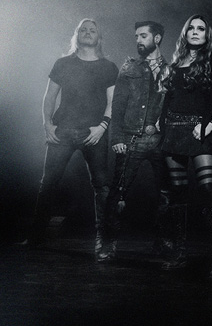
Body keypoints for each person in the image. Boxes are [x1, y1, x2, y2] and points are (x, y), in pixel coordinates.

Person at [27, 19, 118, 260]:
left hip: (94, 132)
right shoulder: (63, 63)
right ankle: (35, 237)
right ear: (76, 35)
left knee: (102, 186)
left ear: (99, 37)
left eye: (92, 30)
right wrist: (47, 124)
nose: (87, 33)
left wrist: (102, 127)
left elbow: (113, 102)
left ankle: (104, 240)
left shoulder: (108, 67)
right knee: (48, 183)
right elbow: (49, 97)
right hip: (63, 130)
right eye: (83, 30)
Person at [158, 14, 212, 281]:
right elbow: (168, 100)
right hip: (173, 131)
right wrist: (160, 126)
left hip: (201, 130)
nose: (195, 31)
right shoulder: (174, 64)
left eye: (201, 28)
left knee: (208, 188)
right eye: (191, 28)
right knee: (177, 192)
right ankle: (179, 254)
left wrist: (210, 125)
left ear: (207, 34)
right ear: (185, 32)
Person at [98, 21, 170, 263]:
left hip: (162, 140)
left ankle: (163, 241)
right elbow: (117, 105)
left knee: (167, 193)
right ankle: (108, 244)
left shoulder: (172, 69)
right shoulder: (129, 67)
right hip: (131, 137)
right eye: (136, 36)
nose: (138, 40)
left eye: (143, 36)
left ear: (157, 38)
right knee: (118, 192)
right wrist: (116, 137)